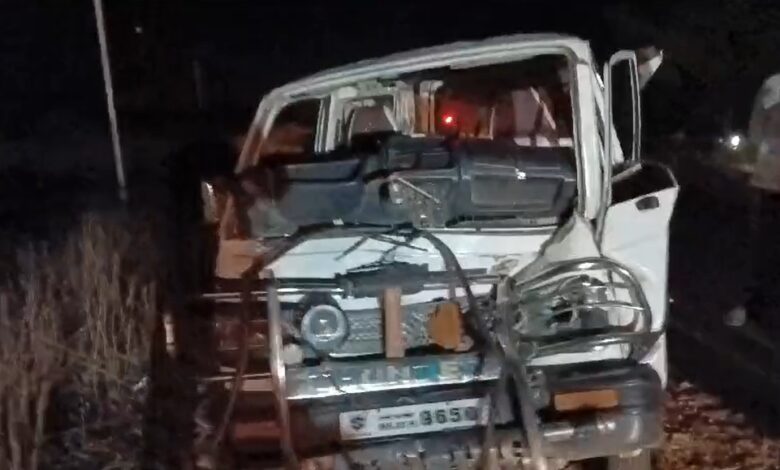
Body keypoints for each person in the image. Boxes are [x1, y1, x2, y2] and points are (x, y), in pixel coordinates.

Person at [725, 73, 780, 331]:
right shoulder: (774, 85)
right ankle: (751, 304)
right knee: (764, 246)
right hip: (771, 180)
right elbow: (757, 129)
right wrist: (749, 166)